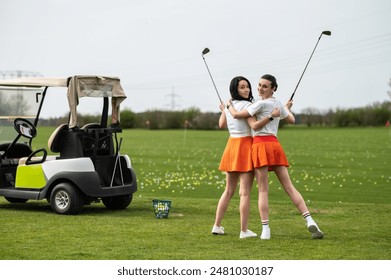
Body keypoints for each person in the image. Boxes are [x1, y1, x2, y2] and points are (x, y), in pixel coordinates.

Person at [227, 74, 324, 240]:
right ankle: (309, 219)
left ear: (273, 88)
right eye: (259, 85)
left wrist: (228, 105)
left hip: (260, 146)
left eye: (264, 86)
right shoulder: (277, 103)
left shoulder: (257, 104)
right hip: (274, 145)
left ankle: (266, 230)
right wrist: (286, 108)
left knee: (263, 189)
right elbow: (291, 119)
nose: (259, 88)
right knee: (289, 187)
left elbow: (237, 115)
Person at [212, 76, 280, 239]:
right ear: (235, 89)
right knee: (244, 193)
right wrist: (271, 116)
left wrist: (225, 109)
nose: (247, 90)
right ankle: (243, 230)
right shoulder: (249, 106)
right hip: (245, 147)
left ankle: (217, 225)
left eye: (247, 87)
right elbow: (254, 125)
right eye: (242, 87)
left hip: (231, 146)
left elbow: (221, 125)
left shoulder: (230, 105)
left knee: (228, 190)